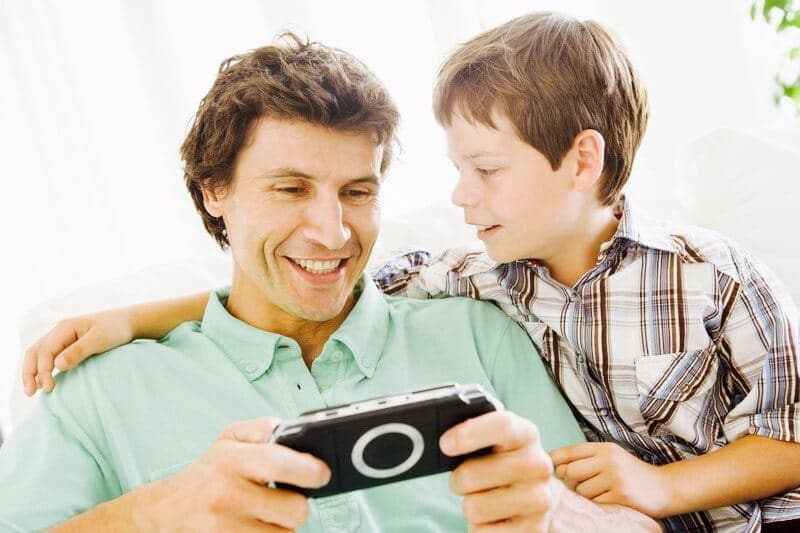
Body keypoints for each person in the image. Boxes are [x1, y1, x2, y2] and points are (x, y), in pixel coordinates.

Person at [21, 11, 800, 532]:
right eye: (290, 189)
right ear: (212, 191)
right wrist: (159, 511)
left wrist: (558, 514)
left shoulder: (480, 322)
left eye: (358, 192)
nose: (332, 232)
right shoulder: (97, 387)